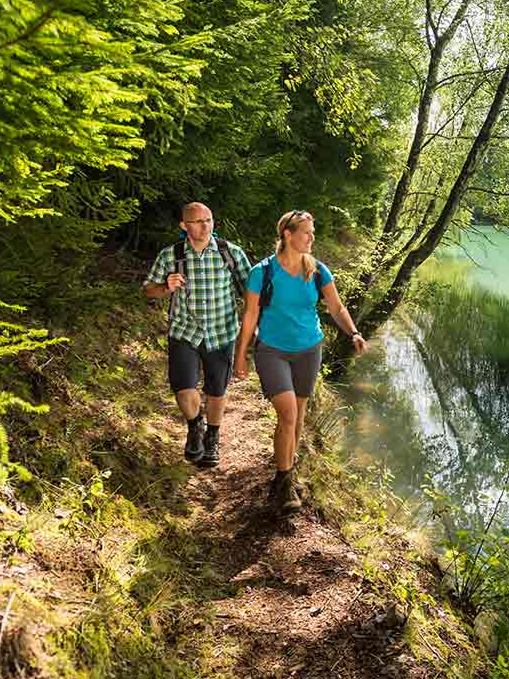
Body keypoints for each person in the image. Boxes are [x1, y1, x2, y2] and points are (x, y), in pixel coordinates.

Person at [233, 210, 367, 513]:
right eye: (306, 232)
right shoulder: (262, 272)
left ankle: (287, 475)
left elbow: (336, 306)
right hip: (272, 350)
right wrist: (241, 353)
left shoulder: (318, 270)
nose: (311, 238)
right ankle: (283, 483)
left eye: (313, 232)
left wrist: (353, 332)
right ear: (288, 235)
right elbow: (250, 315)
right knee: (289, 413)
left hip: (308, 349)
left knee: (299, 414)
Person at [144, 202, 251, 468]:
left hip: (221, 331)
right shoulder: (171, 255)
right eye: (197, 221)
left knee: (217, 390)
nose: (205, 226)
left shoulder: (230, 253)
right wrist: (165, 287)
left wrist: (256, 324)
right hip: (184, 331)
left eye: (209, 220)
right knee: (183, 388)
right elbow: (149, 290)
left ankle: (213, 437)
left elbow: (250, 292)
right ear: (184, 226)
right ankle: (195, 426)